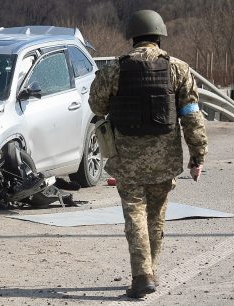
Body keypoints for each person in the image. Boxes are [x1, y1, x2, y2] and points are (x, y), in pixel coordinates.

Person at [88, 10, 208, 298]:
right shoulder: (178, 68)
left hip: (127, 160)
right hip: (164, 160)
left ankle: (142, 276)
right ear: (159, 35)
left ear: (133, 36)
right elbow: (192, 115)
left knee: (135, 216)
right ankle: (148, 272)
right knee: (155, 217)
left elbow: (96, 106)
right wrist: (197, 155)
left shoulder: (115, 69)